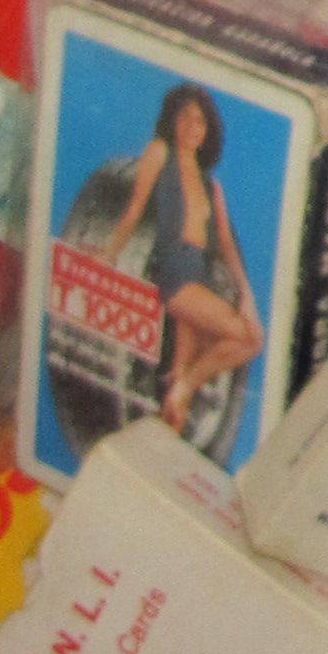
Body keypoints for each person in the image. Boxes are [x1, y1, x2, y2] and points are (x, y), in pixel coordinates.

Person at [105, 82, 262, 442]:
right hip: (175, 271)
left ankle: (163, 442)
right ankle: (186, 385)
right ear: (172, 120)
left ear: (208, 132)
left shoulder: (211, 185)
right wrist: (109, 252)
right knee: (250, 338)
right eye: (186, 117)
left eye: (200, 121)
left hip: (198, 274)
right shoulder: (161, 152)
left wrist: (247, 295)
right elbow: (134, 208)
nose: (192, 127)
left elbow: (225, 243)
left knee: (178, 391)